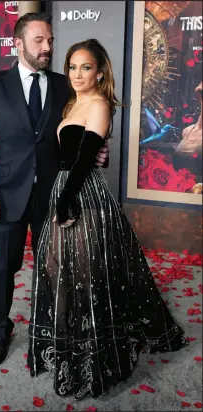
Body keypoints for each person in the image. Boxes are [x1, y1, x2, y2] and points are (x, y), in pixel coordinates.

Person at [27, 39, 188, 400]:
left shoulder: (99, 103)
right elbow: (79, 153)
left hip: (81, 196)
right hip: (65, 189)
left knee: (86, 274)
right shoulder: (72, 102)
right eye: (72, 67)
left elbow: (84, 161)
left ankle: (93, 356)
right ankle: (69, 347)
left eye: (86, 67)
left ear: (100, 71)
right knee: (60, 270)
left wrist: (66, 203)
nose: (78, 74)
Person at [0, 13, 109, 365]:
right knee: (4, 267)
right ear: (18, 44)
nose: (48, 48)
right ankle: (2, 331)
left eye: (50, 40)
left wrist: (97, 154)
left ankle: (49, 330)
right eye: (38, 41)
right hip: (6, 194)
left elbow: (79, 134)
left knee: (52, 269)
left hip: (53, 194)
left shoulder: (66, 84)